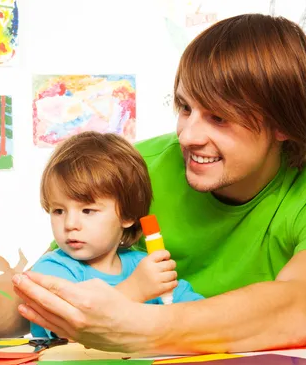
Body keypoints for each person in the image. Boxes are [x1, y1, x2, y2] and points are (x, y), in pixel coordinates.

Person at [0, 14, 306, 354]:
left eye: (219, 118)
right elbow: (58, 293)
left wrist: (146, 324)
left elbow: (298, 306)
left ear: (281, 125)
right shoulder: (135, 168)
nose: (189, 135)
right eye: (185, 107)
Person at [30, 131, 203, 337]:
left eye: (87, 211)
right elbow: (70, 328)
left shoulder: (143, 266)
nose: (70, 224)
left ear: (127, 215)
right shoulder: (52, 271)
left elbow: (202, 313)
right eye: (59, 211)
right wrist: (135, 290)